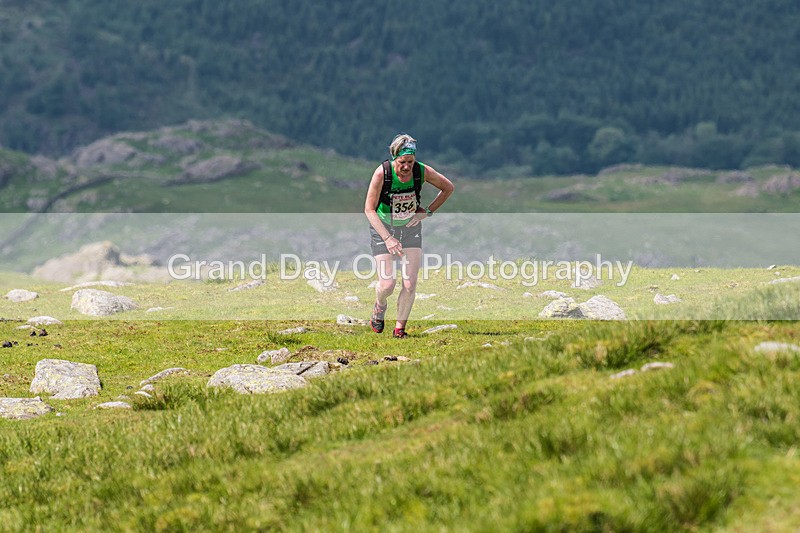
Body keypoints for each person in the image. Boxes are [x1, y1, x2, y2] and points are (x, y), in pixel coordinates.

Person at [364, 134, 455, 338]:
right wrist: (388, 238)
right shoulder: (382, 173)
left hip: (411, 228)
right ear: (394, 158)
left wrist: (428, 211)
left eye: (410, 162)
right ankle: (380, 305)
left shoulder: (421, 171)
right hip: (384, 229)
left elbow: (448, 187)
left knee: (409, 283)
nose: (406, 167)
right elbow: (369, 209)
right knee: (387, 284)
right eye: (402, 162)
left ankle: (399, 329)